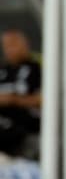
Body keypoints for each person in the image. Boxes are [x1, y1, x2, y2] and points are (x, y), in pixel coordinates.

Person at [0, 29, 41, 160]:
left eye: (13, 44)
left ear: (25, 44)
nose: (9, 49)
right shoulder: (3, 70)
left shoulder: (37, 67)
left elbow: (48, 99)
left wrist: (13, 99)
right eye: (6, 46)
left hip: (26, 127)